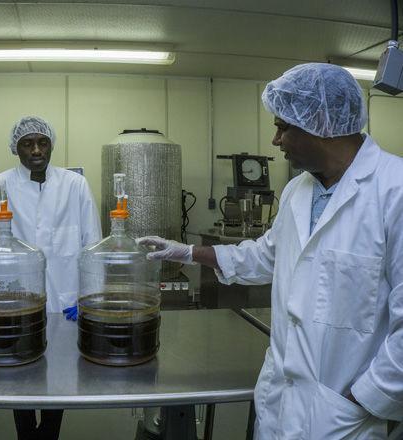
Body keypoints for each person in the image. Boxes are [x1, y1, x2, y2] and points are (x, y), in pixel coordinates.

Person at [139, 63, 403, 439]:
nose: (276, 141)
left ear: (319, 124)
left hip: (346, 419)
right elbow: (265, 256)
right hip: (281, 403)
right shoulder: (300, 191)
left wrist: (362, 399)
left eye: (283, 126)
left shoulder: (394, 191)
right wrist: (184, 252)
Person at [0, 115, 102, 439]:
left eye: (42, 142)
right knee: (20, 370)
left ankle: (50, 433)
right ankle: (27, 433)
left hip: (66, 303)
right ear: (16, 148)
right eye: (27, 143)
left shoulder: (75, 186)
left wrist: (90, 299)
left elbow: (93, 247)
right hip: (15, 303)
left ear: (51, 145)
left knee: (61, 375)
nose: (36, 149)